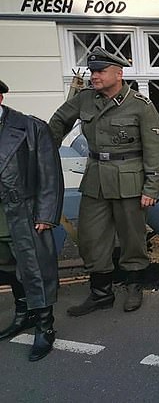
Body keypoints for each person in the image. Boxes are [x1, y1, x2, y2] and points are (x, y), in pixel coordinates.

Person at [49, 47, 159, 316]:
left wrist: (151, 187)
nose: (94, 76)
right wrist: (44, 151)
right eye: (92, 71)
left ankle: (134, 286)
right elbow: (58, 122)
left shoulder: (140, 105)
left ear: (119, 73)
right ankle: (101, 293)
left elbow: (154, 150)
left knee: (132, 237)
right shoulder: (85, 100)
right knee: (91, 237)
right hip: (96, 178)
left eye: (100, 71)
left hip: (129, 180)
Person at [0, 79, 64, 361]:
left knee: (36, 269)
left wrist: (47, 214)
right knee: (9, 265)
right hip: (1, 215)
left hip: (24, 209)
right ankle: (23, 313)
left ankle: (44, 327)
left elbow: (49, 173)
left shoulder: (30, 127)